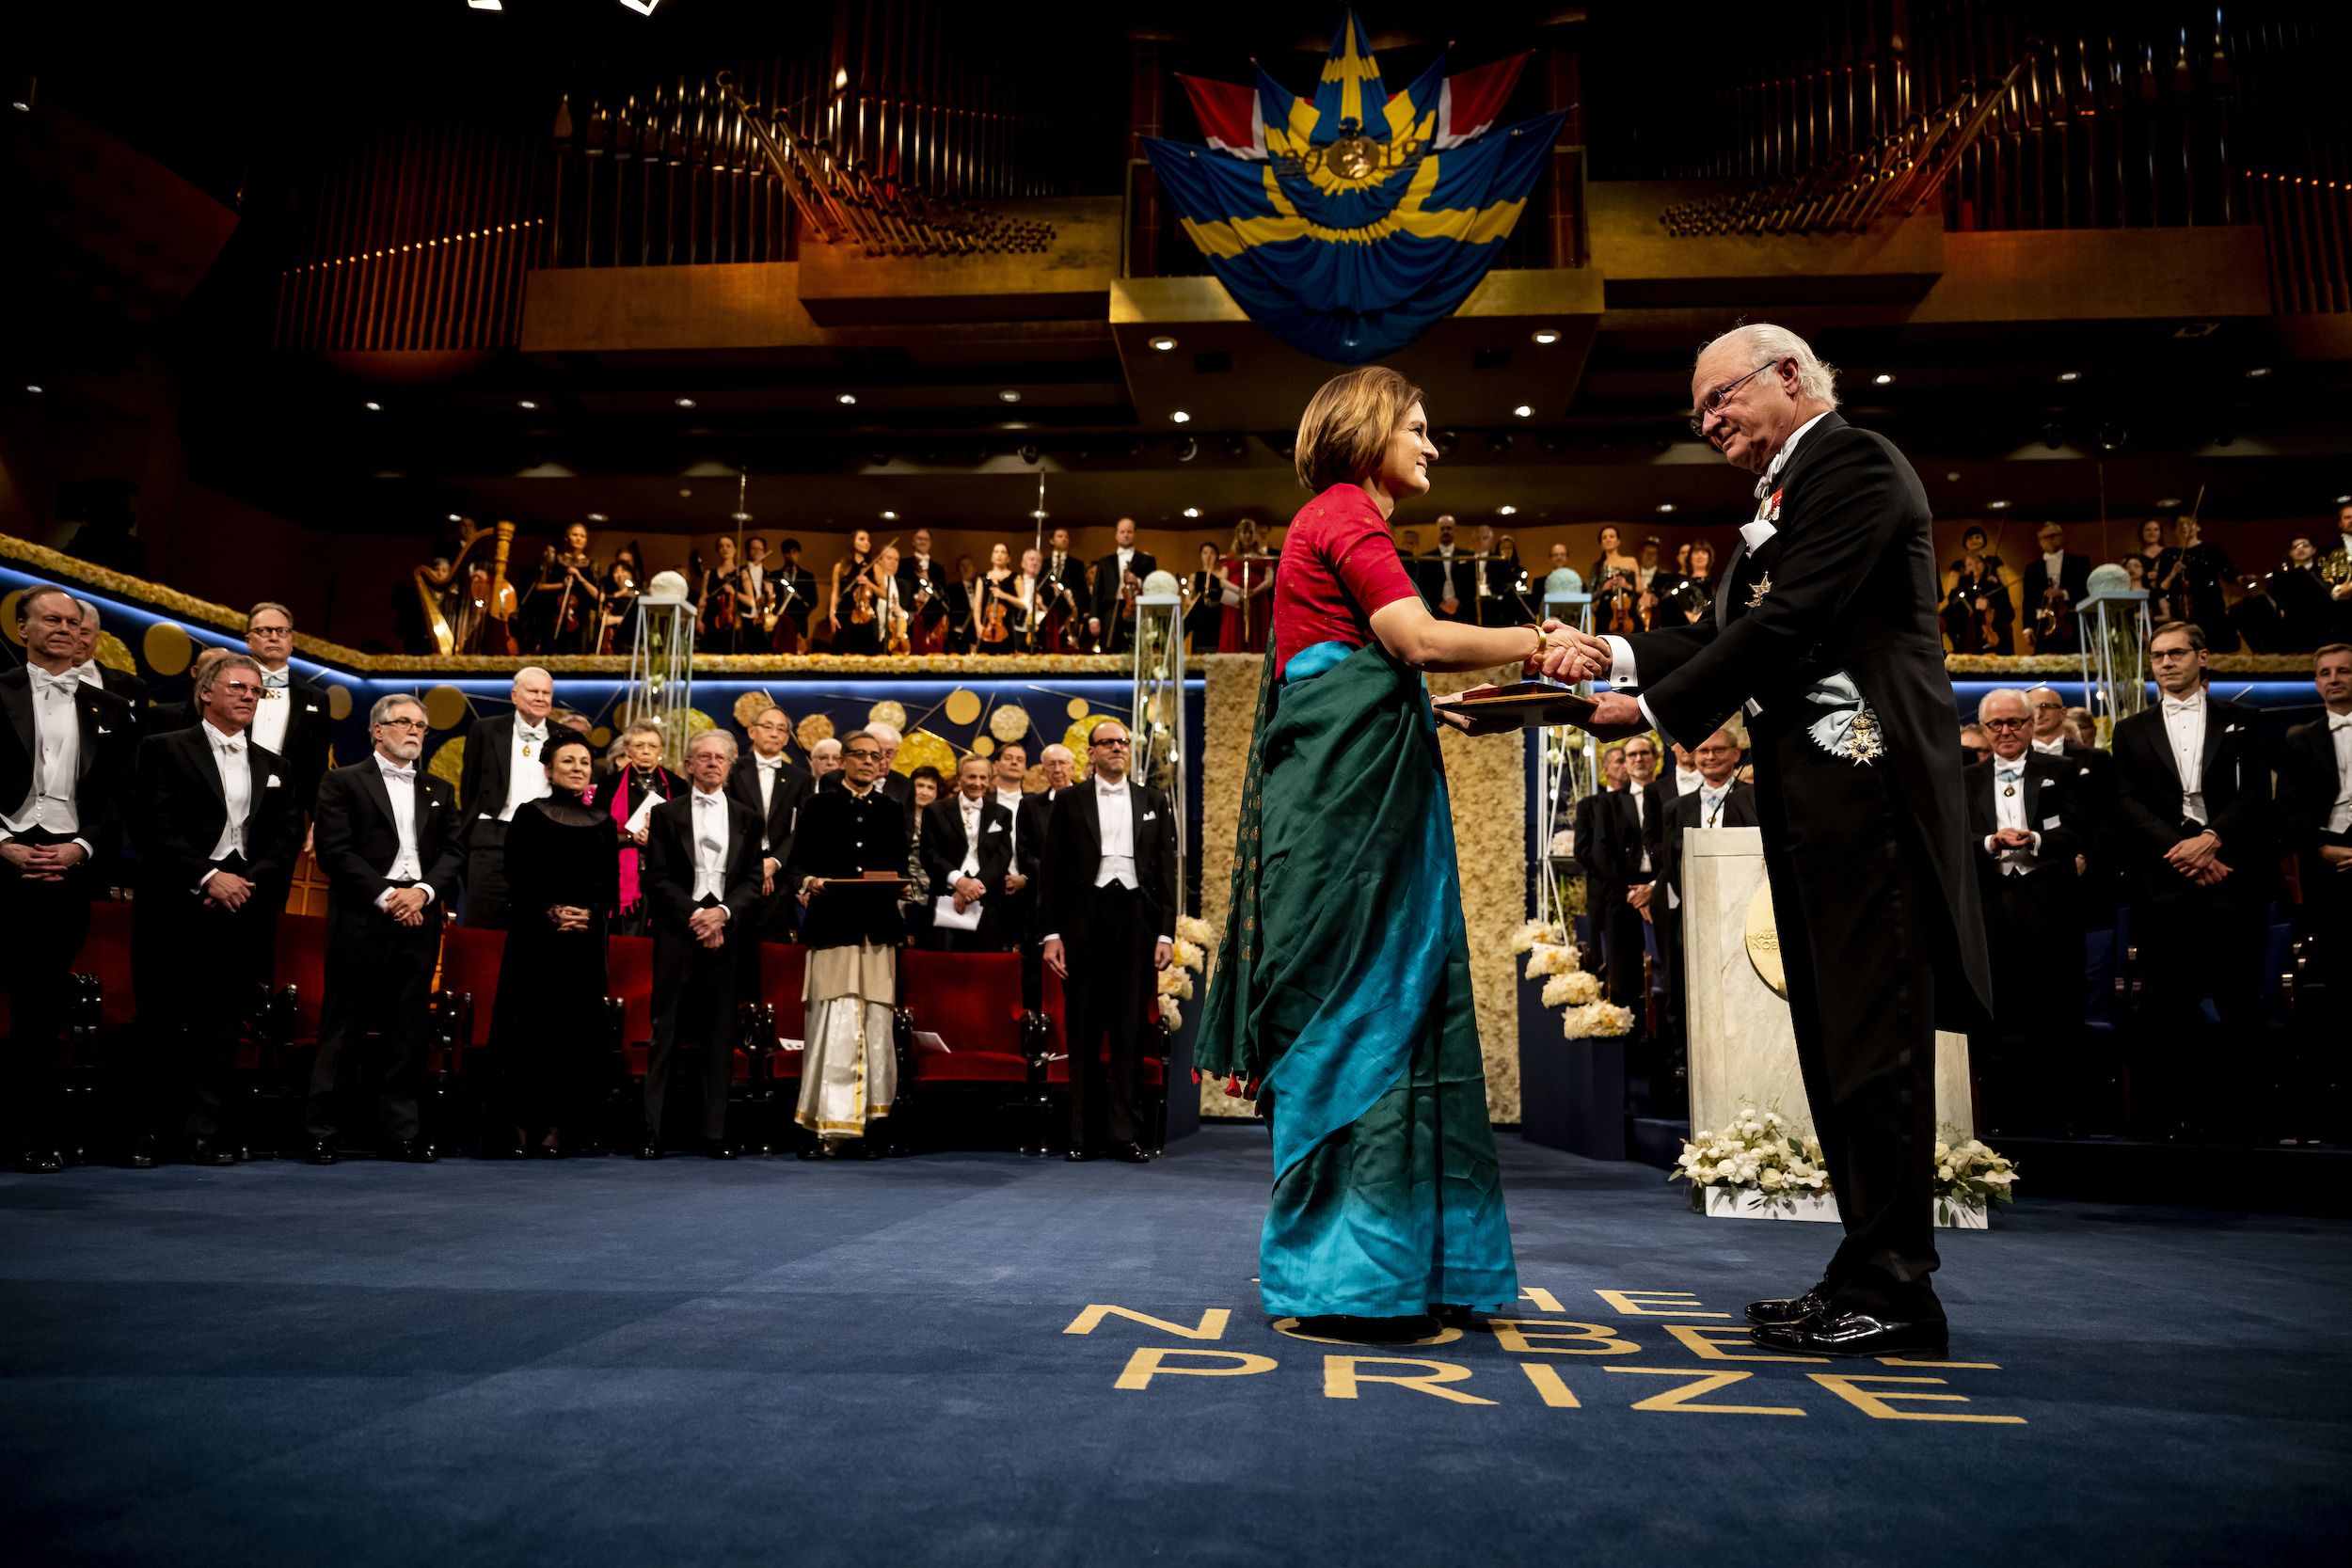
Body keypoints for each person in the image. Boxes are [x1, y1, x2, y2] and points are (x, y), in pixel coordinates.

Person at [1546, 321, 1994, 1358]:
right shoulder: (1783, 494)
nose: (1708, 424)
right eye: (1697, 412)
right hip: (1816, 809)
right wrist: (1605, 652)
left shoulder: (1856, 464)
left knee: (1873, 1048)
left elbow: (1784, 624)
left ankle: (1898, 1286)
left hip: (1871, 805)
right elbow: (1722, 635)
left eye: (1719, 400)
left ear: (1789, 376)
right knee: (1839, 1046)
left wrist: (1650, 714)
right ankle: (1862, 1268)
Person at [1200, 363, 1578, 1343]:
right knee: (1355, 1019)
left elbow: (1370, 672)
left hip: (1348, 812)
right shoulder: (1345, 516)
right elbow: (1409, 640)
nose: (1431, 444)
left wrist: (1450, 701)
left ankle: (1400, 1269)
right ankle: (1346, 1277)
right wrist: (1532, 646)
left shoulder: (1331, 522)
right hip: (1343, 836)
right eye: (1418, 425)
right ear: (1369, 431)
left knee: (1394, 1026)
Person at [126, 653, 301, 1167]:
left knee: (221, 1026)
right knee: (159, 1020)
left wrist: (244, 884)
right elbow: (154, 826)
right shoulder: (163, 748)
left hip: (240, 908)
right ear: (206, 693)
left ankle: (201, 1136)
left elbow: (285, 839)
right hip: (175, 905)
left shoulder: (277, 766)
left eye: (256, 691)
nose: (249, 696)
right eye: (238, 687)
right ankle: (144, 1136)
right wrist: (207, 877)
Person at [2110, 621, 2271, 1140]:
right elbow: (2127, 805)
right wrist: (2182, 851)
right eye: (2158, 656)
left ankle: (2245, 1125)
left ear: (2203, 657)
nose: (2166, 663)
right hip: (2164, 886)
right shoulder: (2130, 729)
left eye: (2177, 653)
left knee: (2240, 1006)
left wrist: (2213, 841)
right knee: (2165, 1011)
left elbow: (2255, 798)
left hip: (2231, 880)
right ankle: (2169, 1128)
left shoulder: (2244, 719)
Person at [2, 587, 132, 1172]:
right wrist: (1, 844)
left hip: (66, 871)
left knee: (40, 1007)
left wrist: (80, 848)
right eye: (49, 619)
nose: (62, 628)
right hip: (1, 857)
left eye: (72, 621)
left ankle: (28, 1134)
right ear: (21, 627)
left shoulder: (106, 707)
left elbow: (117, 798)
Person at [305, 694, 463, 1164]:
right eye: (404, 723)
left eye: (421, 725)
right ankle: (322, 1130)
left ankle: (401, 1133)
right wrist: (389, 897)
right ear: (377, 730)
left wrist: (424, 893)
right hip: (364, 913)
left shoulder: (440, 788)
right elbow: (336, 850)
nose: (414, 731)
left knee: (407, 1027)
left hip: (421, 912)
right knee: (344, 1023)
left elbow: (454, 851)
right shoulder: (342, 781)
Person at [1041, 721, 1176, 1162]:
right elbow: (1052, 872)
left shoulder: (1154, 800)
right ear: (1092, 753)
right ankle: (1080, 1135)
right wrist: (1052, 933)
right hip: (1083, 919)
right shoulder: (1069, 800)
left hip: (1137, 918)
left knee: (1130, 1031)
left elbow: (1167, 872)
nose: (1118, 748)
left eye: (1123, 743)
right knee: (1081, 1028)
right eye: (1108, 743)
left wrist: (1166, 933)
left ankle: (1124, 1134)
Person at [1963, 690, 2090, 1135]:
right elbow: (1954, 840)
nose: (2006, 732)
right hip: (1991, 910)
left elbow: (2081, 831)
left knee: (2056, 1012)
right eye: (1995, 725)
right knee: (1998, 1017)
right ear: (1983, 730)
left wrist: (2036, 840)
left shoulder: (2065, 772)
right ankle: (2003, 1122)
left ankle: (2062, 1119)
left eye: (2014, 722)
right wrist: (1989, 843)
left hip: (2050, 907)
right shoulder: (1964, 779)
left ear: (2032, 723)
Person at [486, 733, 616, 1158]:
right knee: (531, 1032)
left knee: (574, 1035)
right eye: (568, 761)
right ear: (548, 769)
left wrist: (590, 914)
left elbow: (610, 886)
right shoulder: (529, 815)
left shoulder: (604, 821)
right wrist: (551, 910)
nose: (578, 767)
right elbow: (516, 874)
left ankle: (561, 1128)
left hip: (584, 944)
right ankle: (521, 1125)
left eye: (584, 761)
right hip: (536, 940)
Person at [638, 730, 761, 1160]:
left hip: (726, 935)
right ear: (688, 765)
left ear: (730, 766)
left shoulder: (748, 816)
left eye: (720, 758)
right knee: (665, 1031)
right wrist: (696, 914)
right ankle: (654, 1131)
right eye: (703, 757)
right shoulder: (667, 814)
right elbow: (655, 878)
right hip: (678, 931)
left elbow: (750, 881)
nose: (712, 763)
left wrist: (722, 914)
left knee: (719, 1033)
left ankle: (714, 1132)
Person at [786, 729, 908, 1155]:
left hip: (877, 931)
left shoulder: (892, 809)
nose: (870, 762)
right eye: (861, 755)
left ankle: (875, 1123)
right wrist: (809, 881)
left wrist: (904, 887)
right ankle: (826, 1126)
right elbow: (796, 864)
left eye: (876, 757)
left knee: (876, 1025)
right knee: (833, 1022)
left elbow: (899, 867)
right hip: (832, 926)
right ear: (843, 761)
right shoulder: (818, 806)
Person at [1649, 725, 1755, 1089]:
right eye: (1703, 751)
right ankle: (1687, 1067)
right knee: (1682, 988)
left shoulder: (1754, 799)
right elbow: (1668, 859)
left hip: (1742, 914)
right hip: (1690, 914)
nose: (1709, 757)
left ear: (1735, 755)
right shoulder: (1676, 808)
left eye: (1718, 750)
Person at [2277, 643, 2351, 1133]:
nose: (2334, 679)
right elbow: (2288, 811)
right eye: (2324, 672)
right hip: (2328, 867)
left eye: (2343, 671)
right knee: (2339, 988)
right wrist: (2323, 851)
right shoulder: (2300, 738)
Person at [456, 667, 556, 929]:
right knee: (484, 923)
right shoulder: (485, 729)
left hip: (546, 839)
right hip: (492, 837)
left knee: (540, 922)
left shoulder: (563, 735)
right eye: (533, 691)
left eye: (546, 693)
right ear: (514, 695)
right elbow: (470, 785)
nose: (540, 697)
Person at [1596, 734, 1663, 1040]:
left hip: (1665, 888)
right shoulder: (1610, 803)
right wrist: (1634, 893)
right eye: (1631, 755)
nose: (1638, 760)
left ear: (1655, 758)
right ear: (1624, 762)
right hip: (1623, 896)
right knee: (1626, 978)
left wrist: (1655, 887)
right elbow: (1602, 853)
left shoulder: (1671, 794)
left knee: (1668, 974)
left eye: (1644, 753)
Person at [727, 706, 813, 945]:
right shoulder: (732, 770)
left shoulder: (800, 777)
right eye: (768, 727)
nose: (774, 734)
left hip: (780, 874)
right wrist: (756, 864)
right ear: (752, 731)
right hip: (738, 871)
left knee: (773, 946)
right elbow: (728, 822)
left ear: (787, 738)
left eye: (781, 729)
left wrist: (774, 862)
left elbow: (801, 829)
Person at [919, 755, 1013, 952]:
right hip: (945, 895)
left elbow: (1002, 855)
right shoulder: (935, 811)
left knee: (983, 968)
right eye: (971, 777)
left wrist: (975, 886)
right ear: (960, 777)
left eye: (983, 777)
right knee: (945, 966)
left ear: (989, 780)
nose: (977, 783)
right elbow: (930, 853)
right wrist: (959, 882)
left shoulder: (1002, 813)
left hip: (987, 899)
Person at [607, 720, 682, 936]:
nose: (646, 751)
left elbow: (685, 832)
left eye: (652, 746)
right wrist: (632, 839)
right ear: (628, 750)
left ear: (661, 751)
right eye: (639, 746)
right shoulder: (610, 785)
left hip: (664, 872)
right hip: (621, 874)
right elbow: (599, 833)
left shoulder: (676, 785)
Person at [1570, 744, 1627, 969]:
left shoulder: (1648, 797)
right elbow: (1582, 851)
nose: (1625, 766)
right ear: (1605, 769)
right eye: (1619, 761)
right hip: (1603, 890)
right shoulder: (1589, 806)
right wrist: (1611, 869)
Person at [2156, 514, 2241, 653]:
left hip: (2211, 604)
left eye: (2189, 523)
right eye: (2180, 524)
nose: (2184, 527)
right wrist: (2173, 572)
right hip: (2182, 607)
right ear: (2175, 530)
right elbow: (2161, 587)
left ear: (2198, 527)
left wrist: (2243, 579)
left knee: (2217, 646)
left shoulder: (2212, 550)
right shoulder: (2168, 553)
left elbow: (2230, 573)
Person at [991, 741, 1042, 957]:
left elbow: (1039, 848)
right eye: (1008, 758)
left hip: (1027, 887)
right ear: (996, 765)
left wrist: (1025, 877)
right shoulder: (982, 801)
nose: (1014, 763)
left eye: (1019, 759)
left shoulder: (1036, 805)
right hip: (989, 887)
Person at [525, 523, 602, 655]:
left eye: (582, 536)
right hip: (554, 614)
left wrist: (580, 578)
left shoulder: (592, 565)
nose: (578, 538)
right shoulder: (555, 560)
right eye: (575, 534)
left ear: (586, 541)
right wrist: (562, 585)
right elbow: (539, 587)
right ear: (567, 538)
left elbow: (598, 595)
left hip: (580, 618)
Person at [1089, 516, 1158, 654]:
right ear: (1116, 535)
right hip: (1110, 610)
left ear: (1134, 534)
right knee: (1109, 649)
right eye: (1122, 532)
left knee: (1136, 647)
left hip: (1137, 609)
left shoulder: (1147, 560)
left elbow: (1153, 585)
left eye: (1129, 532)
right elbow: (1097, 591)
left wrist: (1138, 581)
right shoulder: (1105, 562)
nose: (1126, 535)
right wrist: (1094, 618)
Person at [1941, 525, 2014, 655]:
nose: (1974, 567)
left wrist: (1989, 606)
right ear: (1964, 570)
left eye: (1978, 563)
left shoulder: (1995, 586)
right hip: (1966, 643)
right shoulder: (1960, 591)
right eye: (1969, 564)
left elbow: (2009, 613)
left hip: (1994, 643)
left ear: (1984, 566)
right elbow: (1951, 608)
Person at [2021, 522, 2091, 654]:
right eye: (2045, 537)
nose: (2049, 540)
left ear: (2062, 537)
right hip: (2043, 624)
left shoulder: (2080, 562)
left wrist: (2063, 593)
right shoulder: (2032, 568)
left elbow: (2086, 591)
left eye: (2053, 535)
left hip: (2072, 622)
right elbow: (2028, 600)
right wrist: (2028, 628)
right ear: (2039, 542)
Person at [1217, 518, 1276, 653]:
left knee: (1257, 633)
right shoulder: (1230, 556)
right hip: (1235, 602)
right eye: (1244, 532)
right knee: (1233, 631)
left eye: (1250, 532)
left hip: (1258, 602)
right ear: (1239, 534)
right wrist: (1239, 591)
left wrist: (1254, 591)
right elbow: (1222, 580)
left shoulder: (1263, 556)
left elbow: (1269, 580)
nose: (1248, 536)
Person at [1184, 542, 1226, 653]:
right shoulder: (1195, 576)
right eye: (1205, 553)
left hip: (1217, 618)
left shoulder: (1222, 575)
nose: (1208, 556)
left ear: (1217, 556)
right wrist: (1197, 603)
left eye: (1212, 553)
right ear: (1200, 555)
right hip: (1200, 620)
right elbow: (1188, 598)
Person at [2134, 517, 2172, 620]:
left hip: (2167, 599)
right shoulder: (2136, 558)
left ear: (2160, 533)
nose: (2152, 533)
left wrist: (2160, 575)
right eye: (2148, 530)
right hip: (2145, 601)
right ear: (2141, 533)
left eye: (2156, 529)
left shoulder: (2169, 553)